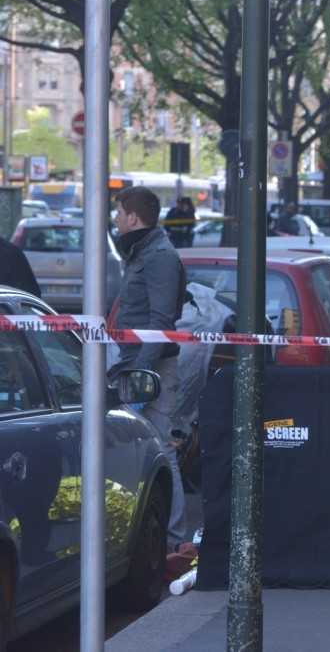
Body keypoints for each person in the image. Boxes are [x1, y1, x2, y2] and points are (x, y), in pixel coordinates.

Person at [110, 186, 187, 552]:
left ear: (133, 218)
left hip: (149, 369)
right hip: (137, 364)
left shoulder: (158, 257)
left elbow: (160, 322)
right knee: (147, 450)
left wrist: (139, 378)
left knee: (162, 449)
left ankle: (172, 540)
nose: (116, 220)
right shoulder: (144, 252)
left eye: (119, 213)